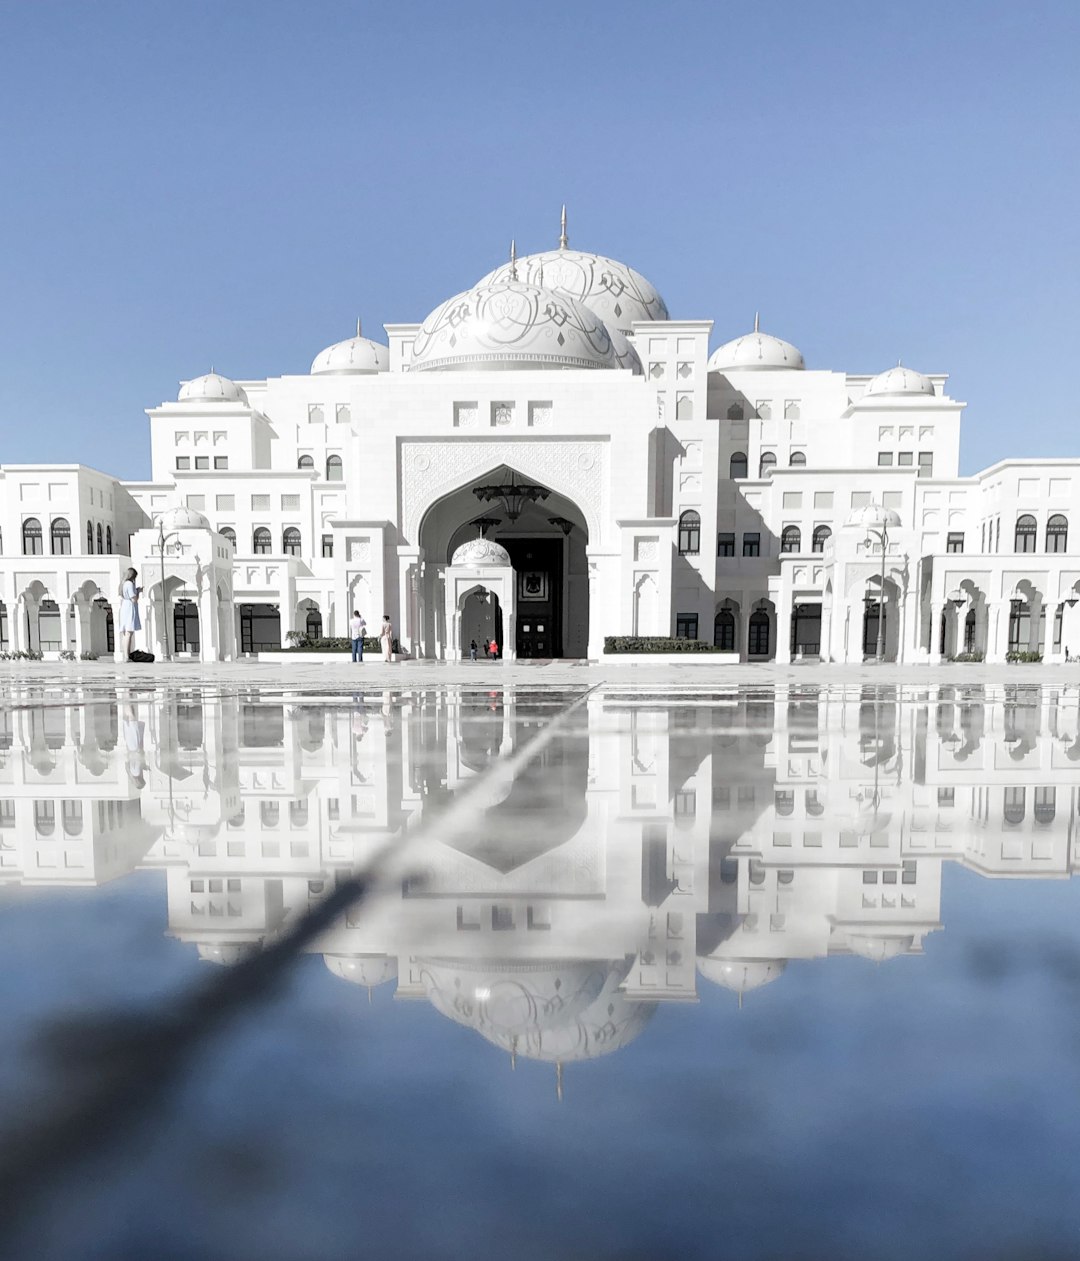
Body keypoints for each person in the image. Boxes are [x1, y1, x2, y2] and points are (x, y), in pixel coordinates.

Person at [119, 568, 142, 661]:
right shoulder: (129, 584)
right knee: (129, 632)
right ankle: (127, 656)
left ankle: (125, 655)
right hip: (129, 607)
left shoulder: (123, 584)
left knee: (125, 633)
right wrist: (138, 592)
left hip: (124, 606)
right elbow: (134, 599)